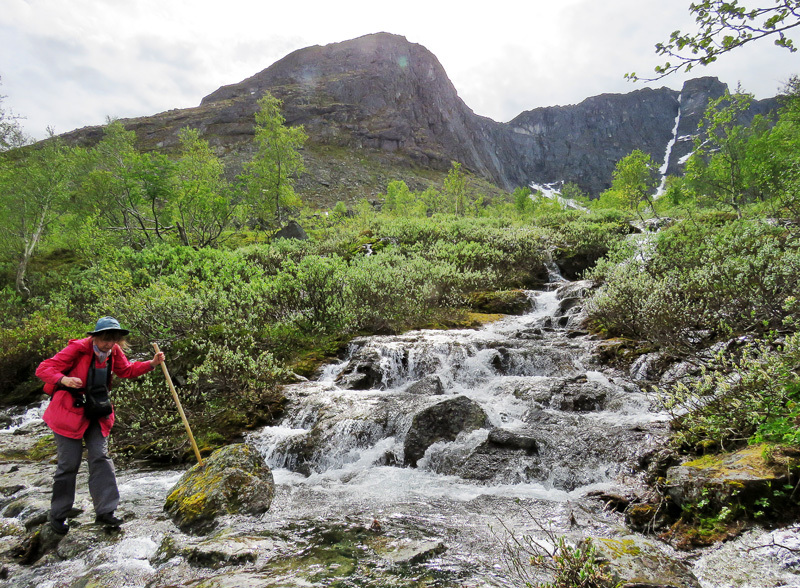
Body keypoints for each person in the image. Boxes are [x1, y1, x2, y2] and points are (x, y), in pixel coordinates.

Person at [35, 316, 165, 535]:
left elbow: (126, 371)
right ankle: (58, 514)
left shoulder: (114, 352)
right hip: (68, 413)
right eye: (105, 339)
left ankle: (105, 511)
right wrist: (63, 380)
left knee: (100, 457)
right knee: (68, 464)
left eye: (113, 339)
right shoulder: (77, 350)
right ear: (95, 337)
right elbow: (43, 369)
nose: (109, 343)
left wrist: (151, 364)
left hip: (97, 412)